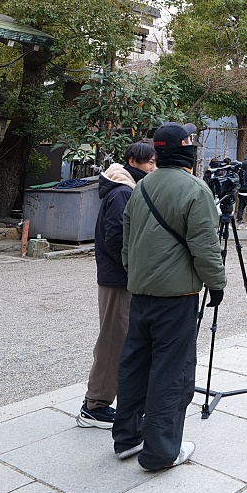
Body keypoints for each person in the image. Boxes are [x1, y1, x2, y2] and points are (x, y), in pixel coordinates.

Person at [113, 122, 226, 472]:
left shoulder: (142, 186)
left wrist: (137, 276)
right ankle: (161, 451)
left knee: (135, 364)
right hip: (177, 294)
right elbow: (206, 248)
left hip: (141, 290)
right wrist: (217, 284)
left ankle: (127, 437)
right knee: (171, 371)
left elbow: (127, 243)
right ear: (184, 149)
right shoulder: (195, 189)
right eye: (192, 141)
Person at [78, 141, 156, 429]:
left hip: (119, 276)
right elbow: (116, 237)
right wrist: (133, 266)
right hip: (118, 278)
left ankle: (104, 400)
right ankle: (95, 405)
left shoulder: (123, 187)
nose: (153, 167)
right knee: (112, 340)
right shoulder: (123, 191)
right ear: (133, 161)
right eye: (149, 162)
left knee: (119, 338)